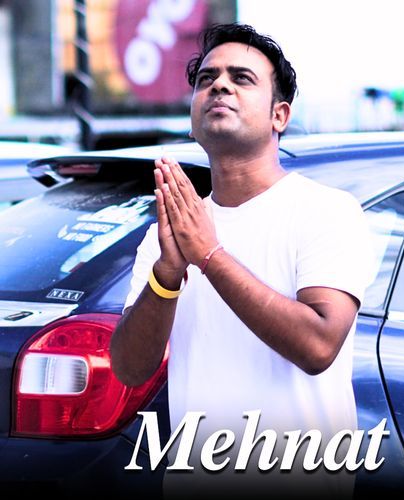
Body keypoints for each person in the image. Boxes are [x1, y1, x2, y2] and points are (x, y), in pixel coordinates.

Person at [110, 23, 375, 498]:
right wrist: (167, 274)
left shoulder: (326, 211)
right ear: (193, 118)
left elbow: (318, 346)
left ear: (279, 115)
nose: (220, 86)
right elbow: (130, 369)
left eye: (241, 78)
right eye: (206, 78)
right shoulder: (169, 233)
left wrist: (209, 256)